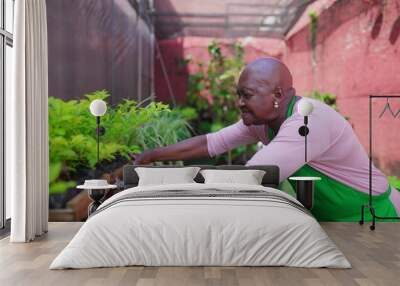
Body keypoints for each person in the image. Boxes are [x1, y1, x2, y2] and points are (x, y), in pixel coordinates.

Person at [130, 57, 400, 221]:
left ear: (278, 95)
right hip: (335, 219)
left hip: (377, 214)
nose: (240, 103)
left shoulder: (308, 122)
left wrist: (170, 188)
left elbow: (251, 177)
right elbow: (210, 143)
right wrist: (153, 155)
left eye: (246, 95)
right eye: (239, 95)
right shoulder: (263, 121)